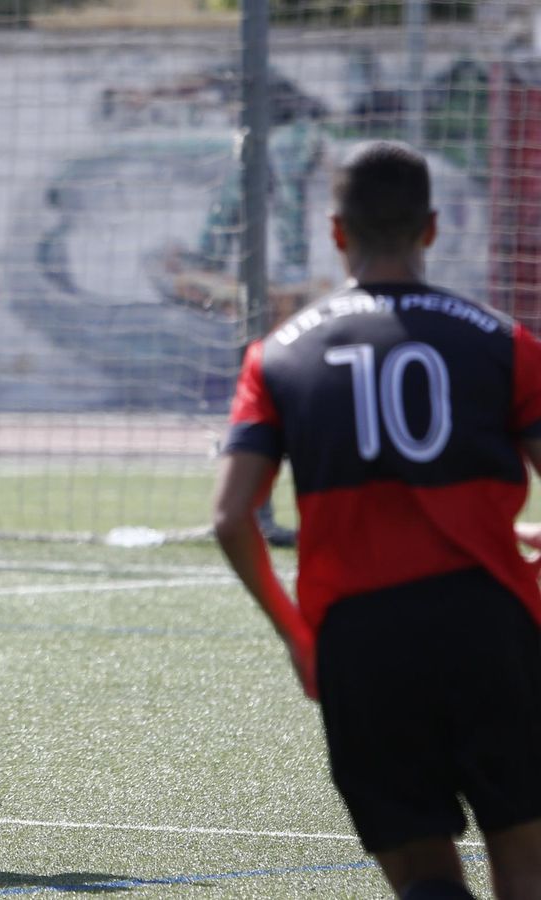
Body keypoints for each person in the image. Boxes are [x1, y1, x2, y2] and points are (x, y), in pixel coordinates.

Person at [213, 140, 541, 899]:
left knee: (423, 874)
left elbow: (232, 517)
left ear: (335, 232)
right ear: (431, 228)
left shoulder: (276, 357)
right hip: (490, 625)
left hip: (360, 641)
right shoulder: (506, 342)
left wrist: (300, 639)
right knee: (523, 867)